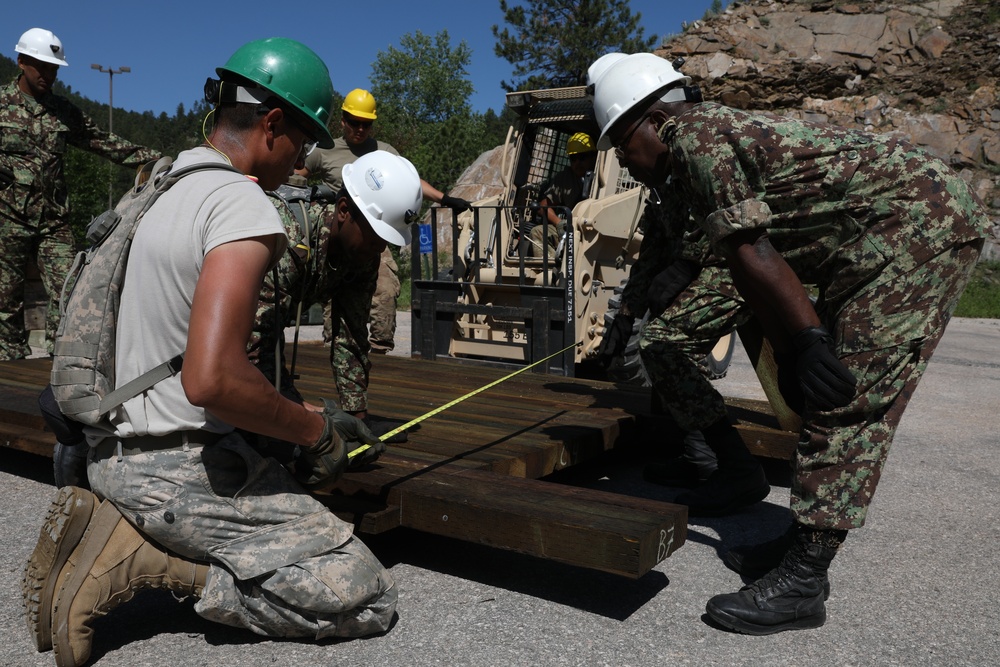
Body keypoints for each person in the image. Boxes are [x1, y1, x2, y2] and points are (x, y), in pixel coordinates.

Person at [22, 38, 397, 667]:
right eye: (303, 141)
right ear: (273, 124)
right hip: (171, 467)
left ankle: (112, 519)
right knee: (363, 594)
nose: (303, 160)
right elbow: (214, 377)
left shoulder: (155, 187)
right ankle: (145, 561)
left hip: (101, 447)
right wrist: (315, 431)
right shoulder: (239, 202)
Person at [590, 52, 990, 635]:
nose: (623, 159)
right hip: (862, 243)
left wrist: (805, 341)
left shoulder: (697, 140)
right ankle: (797, 543)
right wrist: (634, 310)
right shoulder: (685, 155)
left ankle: (805, 583)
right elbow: (713, 252)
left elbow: (749, 250)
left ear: (648, 121)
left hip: (917, 230)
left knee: (847, 399)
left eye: (620, 144)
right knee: (819, 390)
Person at [0, 28, 160, 361]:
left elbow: (104, 141)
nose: (49, 74)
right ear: (21, 62)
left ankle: (62, 367)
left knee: (70, 292)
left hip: (53, 221)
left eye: (54, 68)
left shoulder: (63, 111)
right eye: (42, 66)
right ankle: (8, 374)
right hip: (6, 220)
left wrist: (156, 160)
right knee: (4, 303)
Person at [249, 151, 423, 454]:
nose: (379, 248)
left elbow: (351, 335)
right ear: (343, 210)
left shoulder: (361, 254)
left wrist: (357, 420)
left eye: (386, 240)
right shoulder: (288, 240)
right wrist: (296, 422)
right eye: (375, 236)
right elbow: (256, 344)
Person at [296, 88, 471, 354]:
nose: (360, 129)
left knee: (386, 288)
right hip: (338, 234)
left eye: (366, 124)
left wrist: (445, 199)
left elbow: (410, 182)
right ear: (343, 120)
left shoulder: (384, 152)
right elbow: (298, 176)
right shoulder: (325, 150)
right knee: (336, 295)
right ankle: (336, 347)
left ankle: (380, 349)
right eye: (354, 122)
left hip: (375, 233)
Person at [527, 132, 598, 259]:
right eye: (573, 158)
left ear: (593, 157)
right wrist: (559, 223)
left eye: (582, 157)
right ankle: (553, 272)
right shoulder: (564, 178)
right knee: (537, 233)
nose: (577, 162)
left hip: (595, 231)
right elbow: (544, 206)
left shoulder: (603, 176)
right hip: (570, 229)